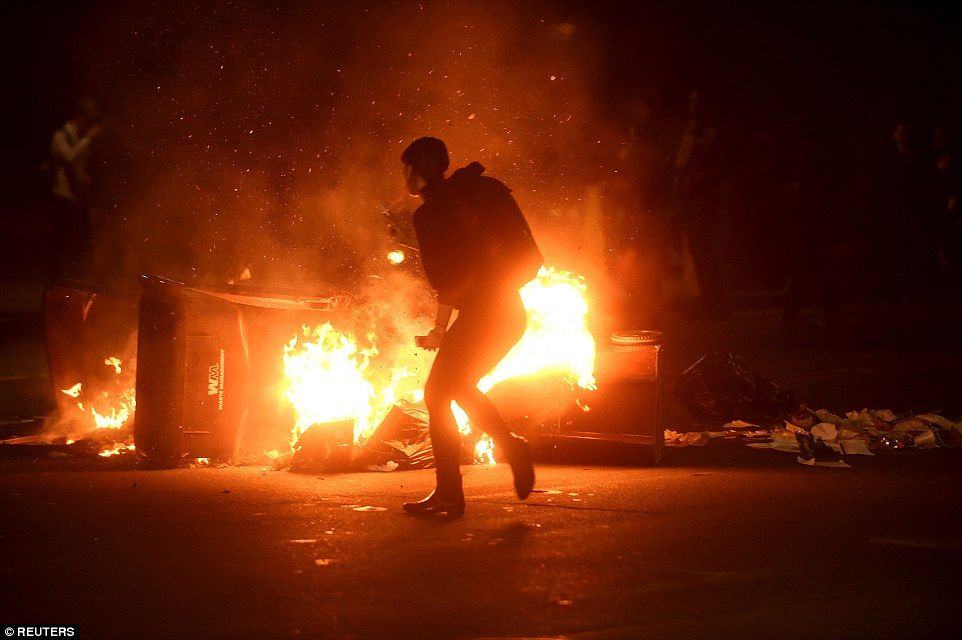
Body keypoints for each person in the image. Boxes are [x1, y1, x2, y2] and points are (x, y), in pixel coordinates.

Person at [400, 137, 541, 517]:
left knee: (437, 394)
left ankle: (452, 491)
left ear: (416, 171)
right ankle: (510, 450)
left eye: (406, 168)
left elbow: (449, 281)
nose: (404, 176)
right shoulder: (475, 193)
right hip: (510, 311)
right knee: (455, 387)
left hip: (484, 315)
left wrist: (439, 328)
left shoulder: (431, 214)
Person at [47, 98, 102, 278]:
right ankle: (57, 280)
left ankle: (76, 278)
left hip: (77, 198)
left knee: (82, 243)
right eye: (88, 120)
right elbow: (69, 158)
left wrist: (84, 177)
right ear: (78, 117)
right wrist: (87, 139)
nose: (89, 124)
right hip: (63, 199)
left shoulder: (78, 137)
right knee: (62, 243)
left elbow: (78, 166)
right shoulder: (60, 136)